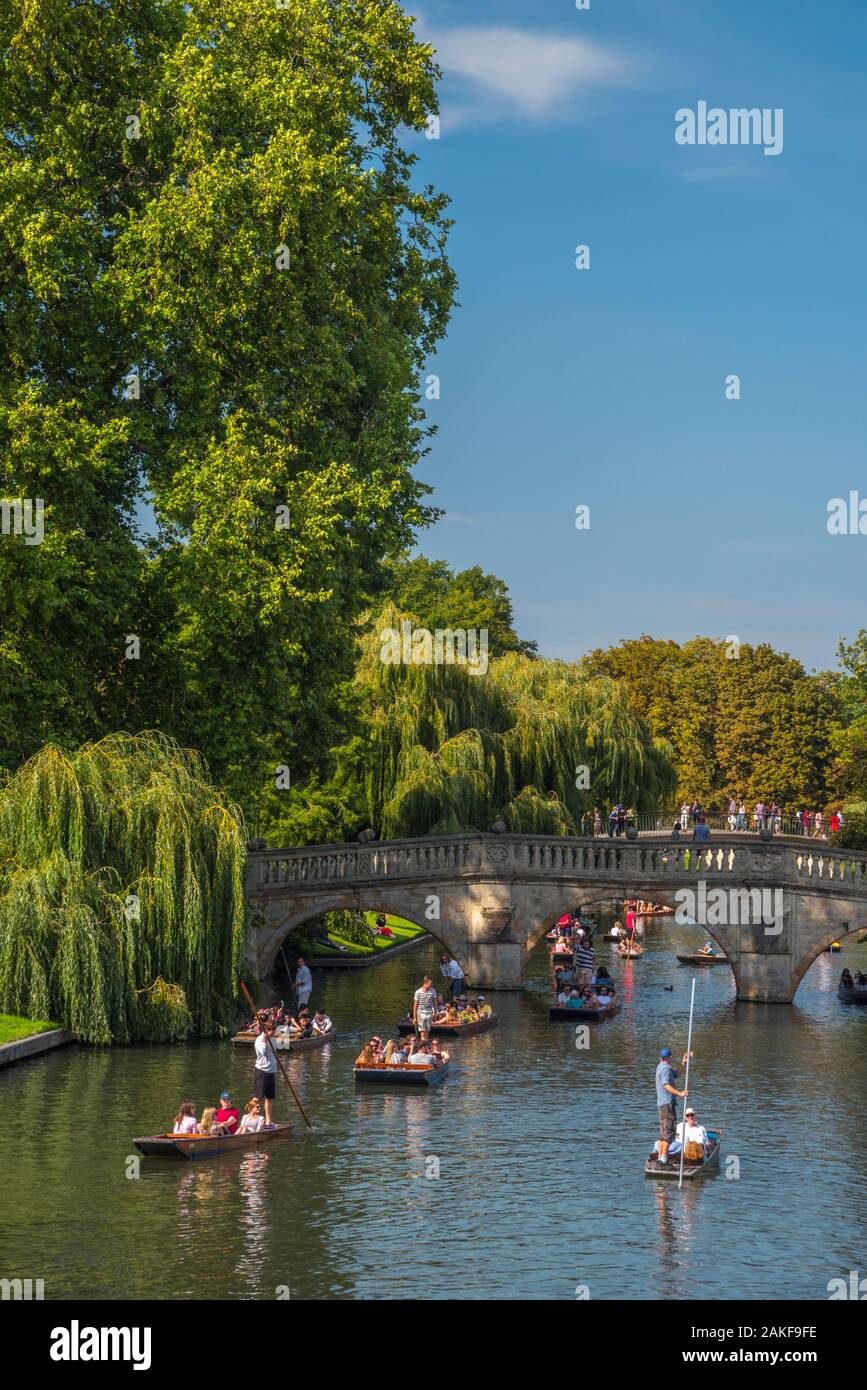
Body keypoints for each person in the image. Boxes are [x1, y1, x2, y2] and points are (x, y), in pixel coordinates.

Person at [655, 1046, 691, 1166]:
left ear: (660, 1057)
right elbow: (666, 1085)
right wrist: (680, 1093)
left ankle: (661, 1158)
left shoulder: (663, 1067)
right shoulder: (665, 1068)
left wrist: (683, 1063)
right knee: (668, 1132)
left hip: (662, 1105)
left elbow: (677, 1074)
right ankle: (664, 1160)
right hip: (667, 1105)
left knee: (663, 1133)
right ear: (670, 1057)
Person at [253, 1017, 277, 1127]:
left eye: (274, 1029)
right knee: (257, 1097)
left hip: (271, 1071)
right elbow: (262, 1052)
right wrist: (265, 1039)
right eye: (271, 1030)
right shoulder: (259, 1040)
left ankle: (268, 1120)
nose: (273, 1032)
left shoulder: (273, 1039)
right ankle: (251, 1118)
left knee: (269, 1098)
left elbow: (273, 1052)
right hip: (261, 1071)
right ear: (266, 1030)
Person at [412, 975, 438, 1040]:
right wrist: (414, 1018)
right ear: (425, 983)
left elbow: (435, 1003)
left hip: (429, 1013)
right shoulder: (418, 992)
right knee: (423, 1032)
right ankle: (423, 1046)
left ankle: (425, 1045)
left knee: (427, 1032)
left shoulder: (433, 991)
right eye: (430, 983)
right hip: (420, 1013)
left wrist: (435, 1014)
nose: (431, 985)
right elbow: (415, 1005)